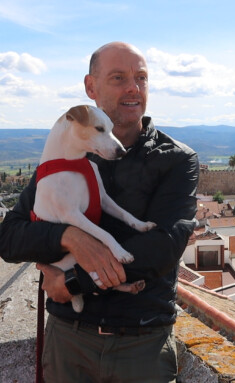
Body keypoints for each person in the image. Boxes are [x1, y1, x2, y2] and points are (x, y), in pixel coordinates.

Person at [0, 42, 199, 382]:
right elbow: (11, 238)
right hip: (68, 340)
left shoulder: (176, 160)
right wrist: (69, 236)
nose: (133, 88)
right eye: (118, 78)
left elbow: (161, 249)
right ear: (91, 87)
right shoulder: (61, 159)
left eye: (141, 78)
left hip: (142, 347)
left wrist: (75, 282)